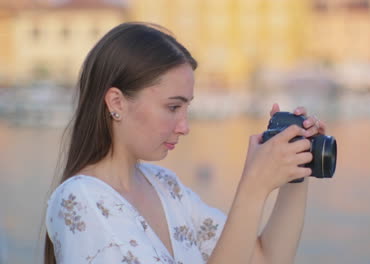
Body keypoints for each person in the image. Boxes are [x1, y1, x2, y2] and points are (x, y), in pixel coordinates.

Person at [43, 22, 327, 264]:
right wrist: (253, 187)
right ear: (116, 102)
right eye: (172, 107)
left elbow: (267, 259)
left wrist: (297, 168)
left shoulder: (166, 186)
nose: (185, 127)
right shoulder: (80, 199)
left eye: (186, 108)